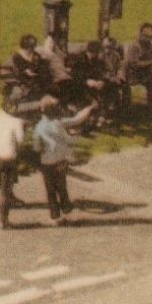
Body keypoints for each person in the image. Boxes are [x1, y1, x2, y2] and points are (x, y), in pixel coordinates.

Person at [32, 96, 95, 225]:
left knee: (50, 190)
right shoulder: (59, 124)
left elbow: (37, 147)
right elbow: (77, 120)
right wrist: (89, 108)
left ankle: (55, 217)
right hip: (60, 160)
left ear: (41, 110)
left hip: (47, 162)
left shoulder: (39, 128)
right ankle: (67, 211)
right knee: (62, 187)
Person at [0, 91, 26, 228]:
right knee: (6, 190)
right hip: (7, 158)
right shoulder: (16, 121)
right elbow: (20, 141)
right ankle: (4, 220)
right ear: (11, 107)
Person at [124, 23, 152, 109]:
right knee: (150, 83)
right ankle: (151, 107)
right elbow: (134, 64)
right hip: (133, 75)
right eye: (149, 37)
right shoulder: (134, 47)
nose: (151, 39)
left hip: (144, 74)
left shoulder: (148, 44)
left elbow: (151, 52)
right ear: (142, 35)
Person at [5, 34, 50, 104]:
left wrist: (40, 68)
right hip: (23, 80)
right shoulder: (17, 56)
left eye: (33, 46)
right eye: (30, 47)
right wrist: (25, 71)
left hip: (36, 79)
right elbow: (17, 70)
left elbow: (41, 67)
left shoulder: (35, 55)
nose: (31, 49)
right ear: (25, 46)